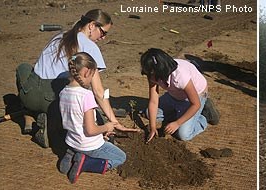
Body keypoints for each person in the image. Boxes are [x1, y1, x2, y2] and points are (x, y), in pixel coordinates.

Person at [15, 9, 121, 148]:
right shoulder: (90, 47)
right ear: (92, 25)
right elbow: (98, 92)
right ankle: (54, 124)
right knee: (77, 91)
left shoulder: (60, 36)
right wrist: (114, 121)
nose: (103, 38)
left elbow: (41, 67)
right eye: (103, 32)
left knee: (23, 67)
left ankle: (31, 112)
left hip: (30, 95)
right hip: (53, 100)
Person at [58, 52, 140, 183]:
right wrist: (107, 126)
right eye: (93, 75)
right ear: (86, 72)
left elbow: (76, 122)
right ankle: (85, 163)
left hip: (72, 141)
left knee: (85, 144)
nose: (92, 79)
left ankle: (71, 154)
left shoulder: (63, 92)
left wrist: (102, 132)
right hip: (89, 145)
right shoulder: (86, 95)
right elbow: (90, 130)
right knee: (120, 157)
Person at [140, 48, 219, 143]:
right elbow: (153, 100)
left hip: (194, 97)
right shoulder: (153, 75)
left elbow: (195, 104)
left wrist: (177, 123)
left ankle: (205, 116)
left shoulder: (180, 76)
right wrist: (152, 127)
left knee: (183, 134)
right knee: (150, 113)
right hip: (175, 95)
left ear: (160, 71)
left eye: (151, 74)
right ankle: (181, 113)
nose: (149, 77)